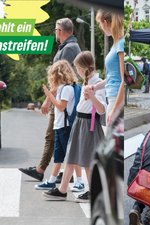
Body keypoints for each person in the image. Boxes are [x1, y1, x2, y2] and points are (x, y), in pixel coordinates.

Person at [19, 18, 81, 183]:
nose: (55, 33)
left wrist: (47, 100)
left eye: (55, 30)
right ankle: (60, 171)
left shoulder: (69, 49)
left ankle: (44, 171)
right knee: (58, 137)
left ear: (60, 31)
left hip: (62, 99)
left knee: (54, 136)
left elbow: (61, 78)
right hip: (62, 97)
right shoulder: (69, 47)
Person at [43, 51, 106, 202]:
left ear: (84, 68)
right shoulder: (87, 81)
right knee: (72, 156)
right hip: (79, 122)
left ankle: (93, 192)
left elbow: (102, 109)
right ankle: (63, 190)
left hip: (88, 124)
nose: (76, 71)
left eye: (77, 67)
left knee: (86, 159)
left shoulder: (97, 83)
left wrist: (91, 95)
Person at [35, 60, 83, 192]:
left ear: (58, 75)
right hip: (59, 126)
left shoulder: (67, 88)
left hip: (66, 127)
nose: (51, 79)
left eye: (52, 75)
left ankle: (80, 181)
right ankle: (51, 181)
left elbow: (62, 107)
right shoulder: (63, 88)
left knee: (71, 155)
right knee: (58, 156)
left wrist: (50, 96)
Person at [86, 10, 124, 126]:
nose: (101, 28)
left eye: (100, 24)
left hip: (116, 99)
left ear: (106, 22)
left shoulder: (121, 44)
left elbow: (124, 80)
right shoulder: (116, 44)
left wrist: (115, 109)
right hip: (113, 97)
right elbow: (113, 77)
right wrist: (96, 87)